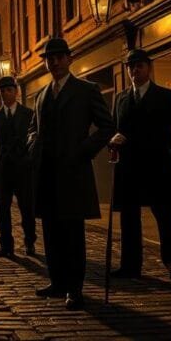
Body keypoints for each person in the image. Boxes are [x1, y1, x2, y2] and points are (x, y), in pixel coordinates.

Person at [27, 37, 115, 311]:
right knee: (51, 232)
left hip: (74, 173)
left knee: (73, 235)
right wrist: (33, 143)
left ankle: (74, 289)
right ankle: (57, 282)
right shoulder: (41, 94)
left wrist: (83, 151)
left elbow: (106, 126)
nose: (53, 62)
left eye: (58, 57)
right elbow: (33, 127)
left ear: (69, 58)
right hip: (47, 174)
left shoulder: (86, 90)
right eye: (49, 58)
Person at [108, 49, 171, 282]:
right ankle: (130, 266)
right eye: (131, 67)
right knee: (129, 219)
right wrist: (113, 140)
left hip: (158, 168)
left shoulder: (166, 96)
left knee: (166, 218)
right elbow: (116, 129)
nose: (134, 71)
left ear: (149, 67)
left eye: (139, 66)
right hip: (129, 169)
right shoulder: (121, 99)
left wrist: (168, 151)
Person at [0, 75, 37, 258]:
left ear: (16, 91)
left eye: (9, 90)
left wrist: (31, 163)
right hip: (2, 170)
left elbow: (34, 141)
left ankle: (30, 242)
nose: (6, 93)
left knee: (27, 208)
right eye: (2, 91)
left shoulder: (29, 114)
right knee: (2, 210)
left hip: (23, 170)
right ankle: (6, 245)